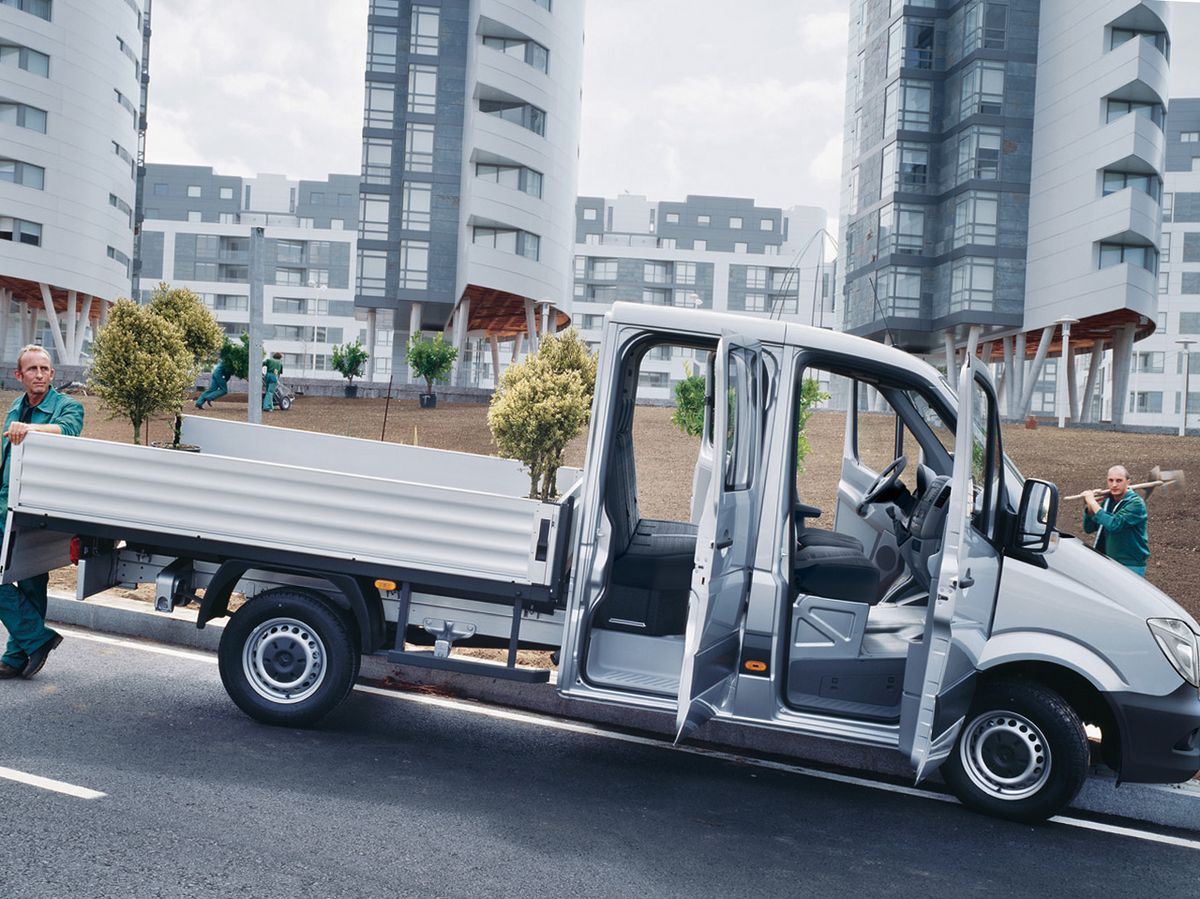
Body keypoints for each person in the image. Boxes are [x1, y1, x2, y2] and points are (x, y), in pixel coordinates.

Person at [0, 345, 84, 679]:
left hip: (36, 509)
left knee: (33, 581)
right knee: (16, 580)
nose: (39, 375)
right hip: (5, 503)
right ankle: (28, 648)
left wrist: (29, 429)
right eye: (32, 369)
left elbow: (68, 431)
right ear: (19, 376)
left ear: (52, 374)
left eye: (45, 369)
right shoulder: (15, 407)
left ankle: (26, 648)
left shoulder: (68, 406)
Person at [1082, 464, 1150, 576]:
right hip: (1108, 561)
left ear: (1127, 482)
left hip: (1131, 564)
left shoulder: (1136, 504)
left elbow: (1114, 524)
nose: (1114, 485)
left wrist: (1093, 503)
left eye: (1119, 481)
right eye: (1111, 480)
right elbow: (1089, 528)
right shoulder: (1108, 501)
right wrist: (1090, 507)